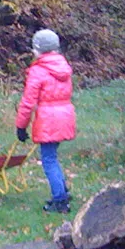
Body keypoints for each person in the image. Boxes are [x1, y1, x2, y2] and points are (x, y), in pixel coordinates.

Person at [15, 28, 76, 213]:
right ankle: (62, 191)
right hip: (64, 115)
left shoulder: (38, 70)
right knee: (52, 156)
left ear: (39, 50)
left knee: (48, 159)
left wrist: (20, 126)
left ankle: (60, 201)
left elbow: (28, 102)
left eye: (34, 48)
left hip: (49, 119)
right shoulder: (63, 67)